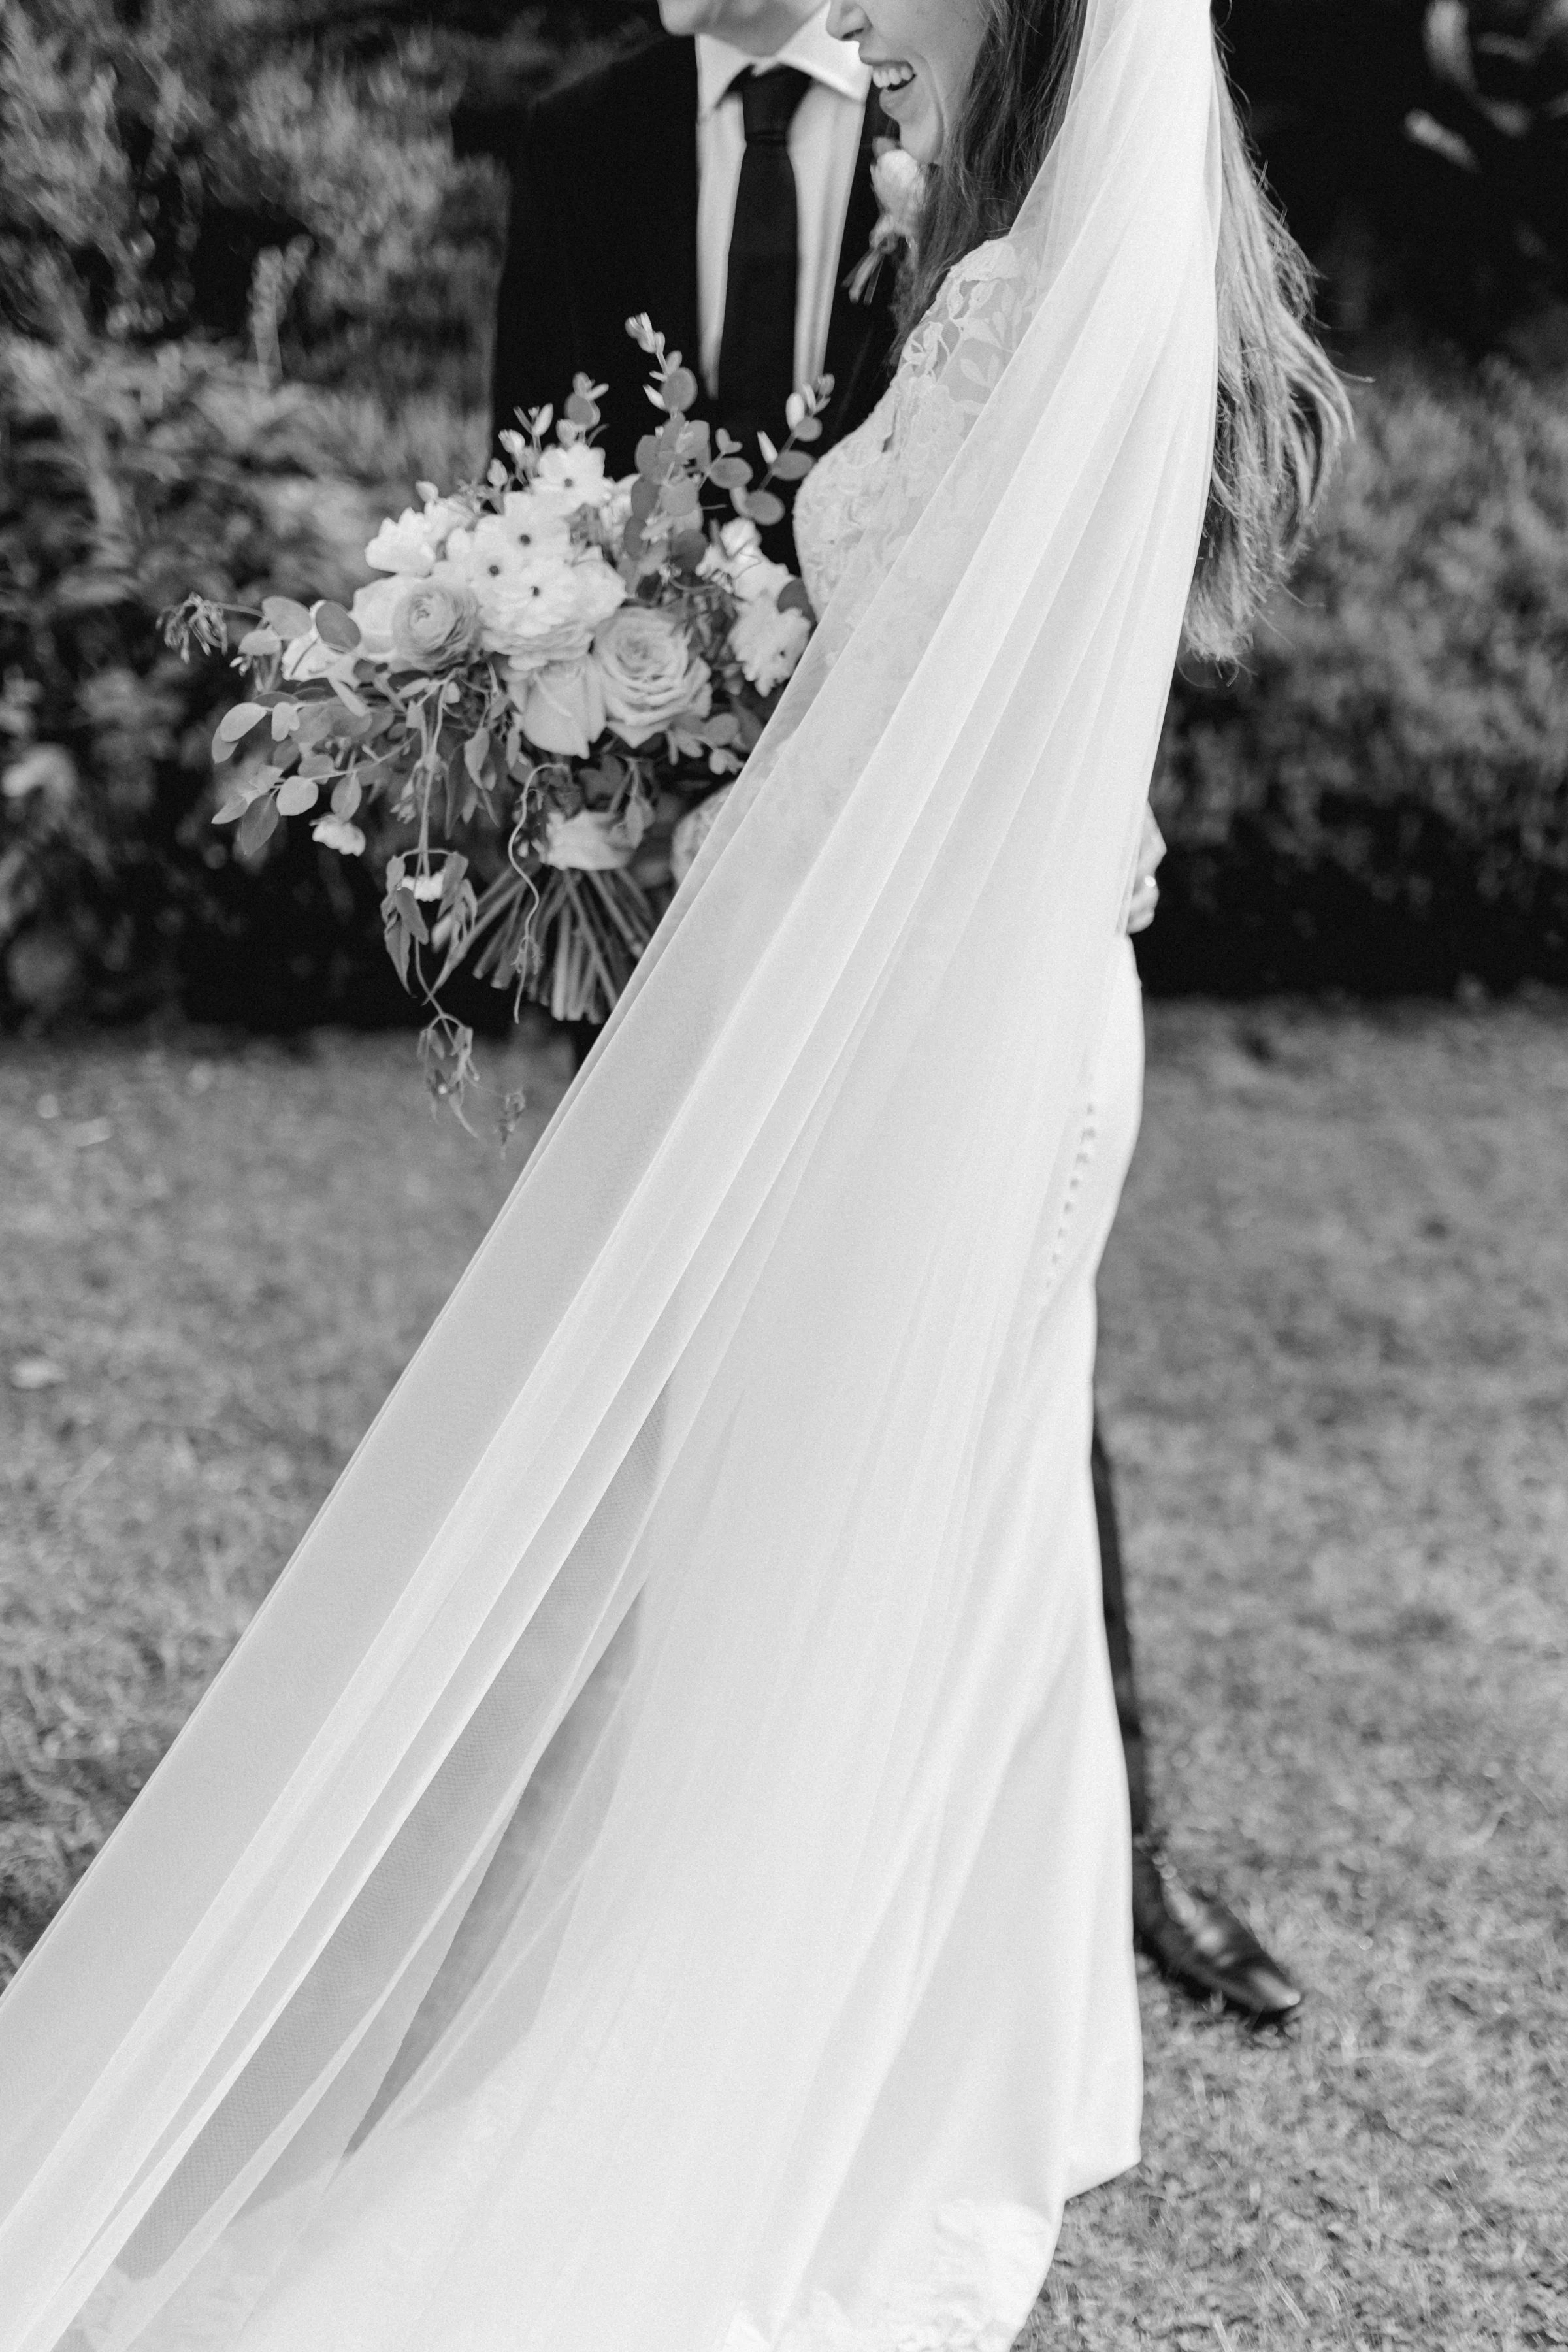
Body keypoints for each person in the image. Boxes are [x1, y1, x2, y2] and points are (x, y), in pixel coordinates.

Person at [0, 3, 1348, 2346]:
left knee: (834, 1529)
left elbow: (939, 712)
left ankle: (789, 2048)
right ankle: (971, 2051)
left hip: (916, 1008)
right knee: (912, 1529)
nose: (860, 10)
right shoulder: (1034, 266)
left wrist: (720, 864)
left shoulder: (1030, 296)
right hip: (973, 997)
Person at [491, 0, 1304, 2022]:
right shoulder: (593, 145)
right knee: (726, 1383)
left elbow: (1006, 617)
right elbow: (537, 469)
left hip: (897, 932)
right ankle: (710, 1840)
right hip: (748, 863)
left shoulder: (1008, 238)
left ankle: (1078, 1862)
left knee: (947, 1392)